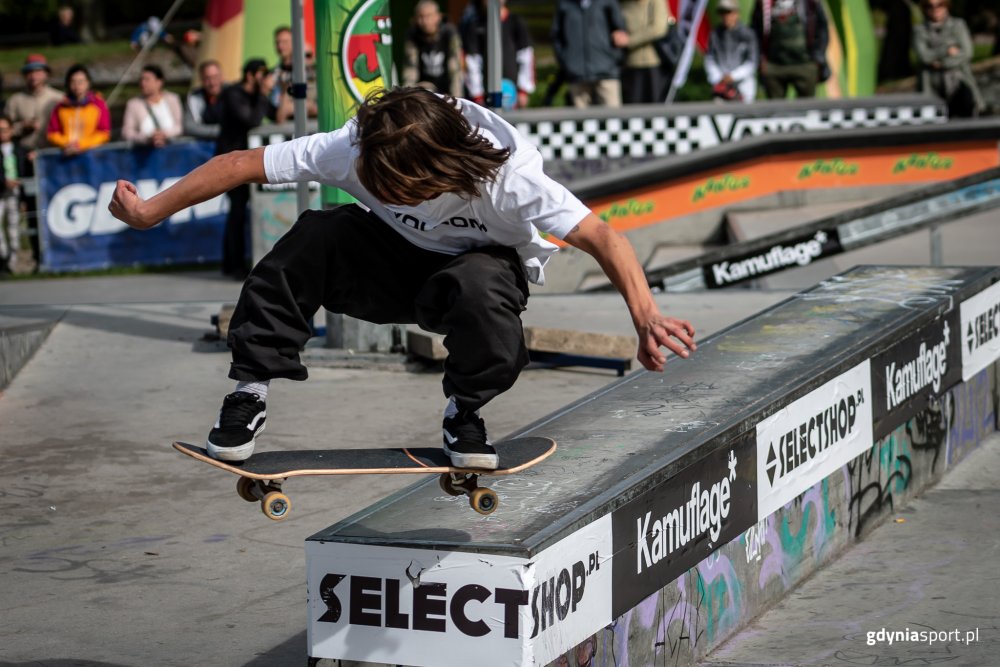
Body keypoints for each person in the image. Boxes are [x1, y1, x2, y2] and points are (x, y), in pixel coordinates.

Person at [108, 86, 697, 467]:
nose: (381, 190)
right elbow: (239, 165)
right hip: (387, 265)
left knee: (479, 288)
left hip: (476, 275)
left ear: (439, 169)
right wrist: (150, 211)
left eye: (397, 187)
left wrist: (645, 316)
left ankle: (464, 409)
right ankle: (249, 390)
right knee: (315, 234)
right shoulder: (354, 145)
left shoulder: (510, 176)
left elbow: (602, 236)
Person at [216, 59, 275, 278]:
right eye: (260, 75)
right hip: (231, 162)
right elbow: (252, 119)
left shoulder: (256, 96)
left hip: (249, 162)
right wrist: (262, 94)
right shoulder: (233, 94)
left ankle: (234, 262)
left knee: (241, 213)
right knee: (237, 213)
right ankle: (233, 264)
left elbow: (276, 114)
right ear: (250, 76)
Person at [552, 0, 629, 108]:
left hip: (607, 71)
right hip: (577, 72)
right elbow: (557, 37)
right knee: (580, 120)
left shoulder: (607, 3)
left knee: (613, 119)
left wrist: (614, 59)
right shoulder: (565, 4)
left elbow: (620, 34)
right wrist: (567, 62)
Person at [913, 0, 983, 118]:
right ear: (925, 9)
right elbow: (923, 56)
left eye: (940, 5)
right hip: (931, 84)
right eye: (930, 6)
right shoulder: (919, 30)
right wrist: (946, 49)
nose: (935, 9)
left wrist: (943, 63)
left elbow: (966, 53)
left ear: (946, 6)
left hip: (957, 80)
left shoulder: (958, 25)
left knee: (965, 114)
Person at [462, 0, 535, 109]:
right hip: (485, 95)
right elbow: (472, 62)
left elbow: (526, 57)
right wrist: (477, 94)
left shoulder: (516, 22)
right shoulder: (475, 26)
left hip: (513, 93)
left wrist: (523, 90)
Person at [751, 0, 829, 99]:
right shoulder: (764, 3)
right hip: (774, 66)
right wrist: (761, 60)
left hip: (805, 63)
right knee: (776, 110)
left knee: (806, 108)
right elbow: (755, 31)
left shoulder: (809, 3)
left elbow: (822, 27)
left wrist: (817, 58)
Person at [403, 0, 464, 99]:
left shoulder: (449, 33)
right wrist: (408, 94)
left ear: (438, 16)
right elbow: (410, 68)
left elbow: (455, 69)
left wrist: (457, 99)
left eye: (428, 16)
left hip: (447, 88)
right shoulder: (412, 35)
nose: (424, 21)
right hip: (424, 89)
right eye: (420, 17)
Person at [46, 64, 111, 155]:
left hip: (91, 155)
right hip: (66, 154)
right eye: (73, 82)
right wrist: (66, 143)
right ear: (68, 84)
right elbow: (52, 133)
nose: (77, 86)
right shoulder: (60, 107)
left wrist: (80, 145)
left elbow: (104, 133)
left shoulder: (99, 105)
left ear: (88, 83)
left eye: (81, 82)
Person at [4, 54, 63, 153]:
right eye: (29, 72)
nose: (33, 76)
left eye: (38, 71)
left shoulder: (58, 98)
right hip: (24, 153)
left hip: (52, 153)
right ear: (24, 75)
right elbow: (5, 128)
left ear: (46, 73)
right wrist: (22, 127)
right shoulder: (15, 100)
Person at [705, 0, 759, 102]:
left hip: (744, 85)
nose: (726, 16)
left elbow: (752, 62)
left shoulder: (748, 34)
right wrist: (718, 77)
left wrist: (733, 76)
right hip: (721, 85)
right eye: (723, 13)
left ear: (736, 13)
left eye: (729, 12)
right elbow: (710, 58)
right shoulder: (715, 34)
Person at [619, 0, 670, 104]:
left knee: (656, 105)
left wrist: (629, 40)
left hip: (654, 63)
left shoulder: (656, 2)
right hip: (631, 64)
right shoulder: (623, 4)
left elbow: (658, 28)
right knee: (633, 105)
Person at [122, 65, 183, 147]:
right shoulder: (133, 104)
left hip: (172, 152)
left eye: (147, 80)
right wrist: (147, 138)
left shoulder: (173, 99)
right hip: (145, 153)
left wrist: (164, 135)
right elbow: (127, 132)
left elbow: (179, 127)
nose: (143, 83)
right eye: (141, 79)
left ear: (159, 82)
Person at [0, 116, 28, 273]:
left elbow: (24, 166)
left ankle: (12, 259)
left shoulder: (18, 149)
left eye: (4, 130)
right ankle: (3, 255)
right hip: (1, 191)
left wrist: (31, 159)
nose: (2, 133)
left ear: (10, 130)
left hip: (15, 192)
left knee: (13, 225)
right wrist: (4, 181)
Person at [184, 60, 224, 140]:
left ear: (222, 77)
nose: (212, 83)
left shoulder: (233, 94)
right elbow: (189, 127)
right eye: (207, 78)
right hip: (203, 143)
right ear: (201, 80)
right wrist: (220, 131)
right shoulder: (194, 98)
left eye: (215, 77)